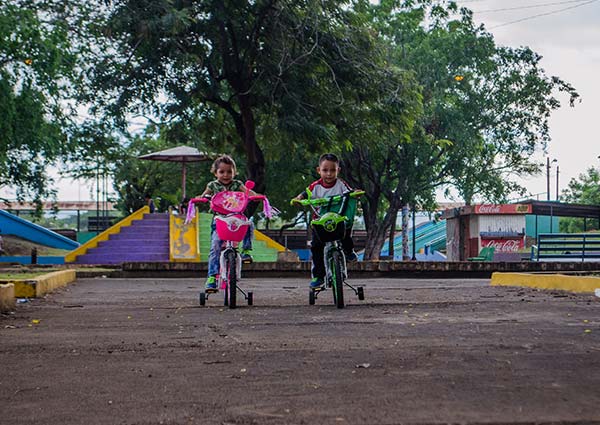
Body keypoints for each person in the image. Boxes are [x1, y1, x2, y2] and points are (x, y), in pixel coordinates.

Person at [291, 153, 359, 289]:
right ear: (319, 170)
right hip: (320, 222)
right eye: (325, 170)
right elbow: (304, 194)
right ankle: (318, 276)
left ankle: (349, 250)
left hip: (337, 218)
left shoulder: (340, 184)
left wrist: (355, 193)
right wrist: (298, 199)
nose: (329, 174)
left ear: (338, 170)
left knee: (345, 233)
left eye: (333, 170)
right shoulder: (315, 186)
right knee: (316, 247)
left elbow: (350, 192)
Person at [199, 155, 257, 290]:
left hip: (236, 219)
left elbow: (249, 193)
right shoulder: (212, 185)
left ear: (234, 172)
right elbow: (204, 195)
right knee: (215, 247)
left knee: (248, 224)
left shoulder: (237, 184)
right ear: (215, 173)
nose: (226, 175)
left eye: (229, 172)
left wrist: (257, 196)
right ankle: (212, 276)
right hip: (220, 220)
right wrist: (201, 198)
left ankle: (246, 251)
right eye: (222, 172)